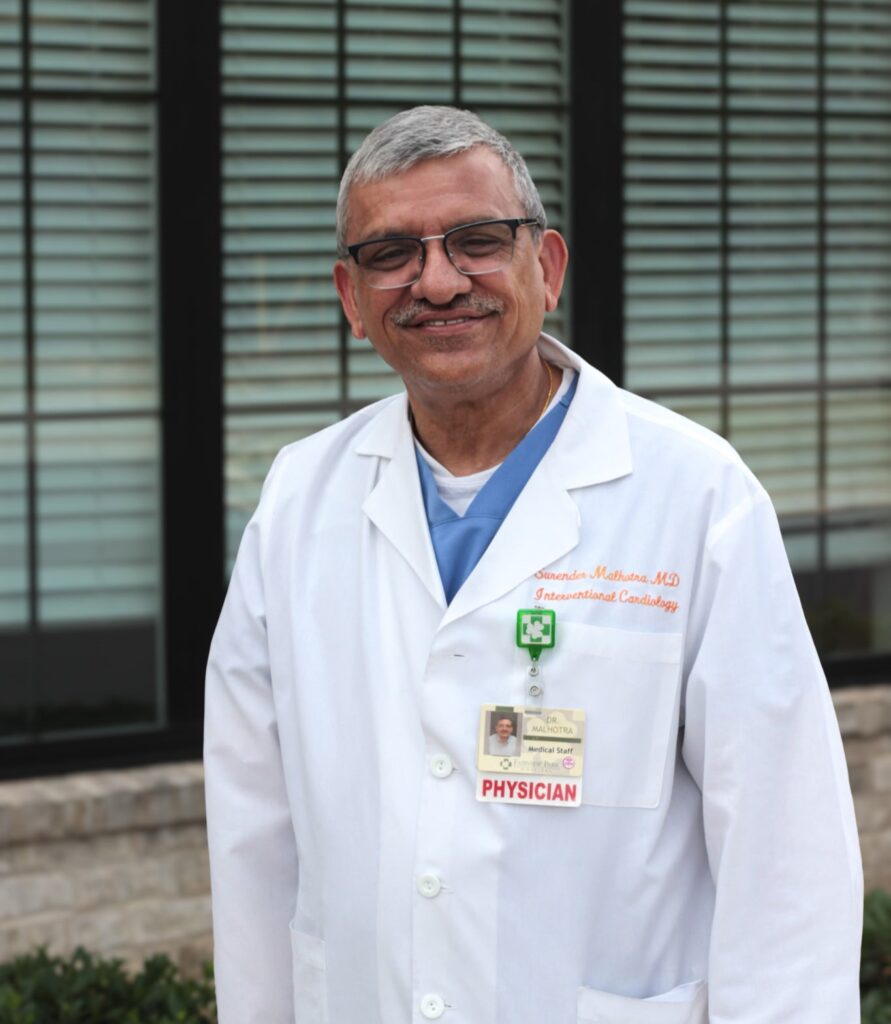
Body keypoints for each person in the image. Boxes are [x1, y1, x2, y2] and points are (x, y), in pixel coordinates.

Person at [204, 106, 862, 1024]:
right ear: (351, 298)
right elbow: (252, 834)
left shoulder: (695, 495)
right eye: (391, 253)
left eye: (477, 241)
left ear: (545, 268)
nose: (437, 281)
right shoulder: (298, 498)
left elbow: (782, 848)